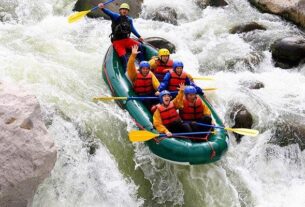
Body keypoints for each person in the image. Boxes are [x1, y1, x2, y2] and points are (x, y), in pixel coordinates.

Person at [98, 2, 145, 70]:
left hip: (127, 40)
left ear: (128, 11)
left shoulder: (129, 20)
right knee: (123, 57)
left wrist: (139, 36)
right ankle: (126, 72)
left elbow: (132, 29)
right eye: (123, 9)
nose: (124, 10)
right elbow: (109, 13)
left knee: (140, 46)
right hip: (117, 42)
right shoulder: (115, 16)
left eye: (126, 9)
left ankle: (142, 64)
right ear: (120, 10)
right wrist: (102, 8)